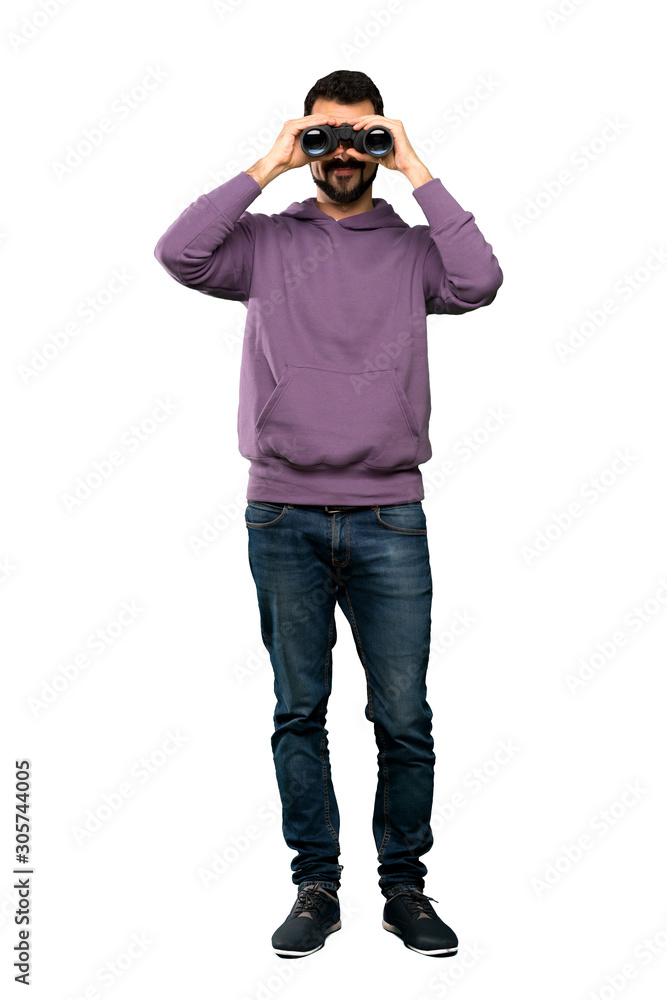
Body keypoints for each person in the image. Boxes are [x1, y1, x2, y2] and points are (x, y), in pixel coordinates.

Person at [154, 69, 503, 959]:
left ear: (381, 143)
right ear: (302, 139)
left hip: (389, 515)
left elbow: (479, 280)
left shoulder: (412, 251)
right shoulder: (264, 243)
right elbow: (179, 253)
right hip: (283, 513)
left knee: (403, 717)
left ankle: (403, 890)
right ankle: (316, 888)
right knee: (298, 710)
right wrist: (267, 163)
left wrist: (416, 165)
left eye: (362, 136)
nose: (342, 151)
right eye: (323, 135)